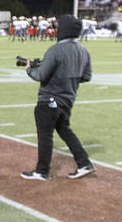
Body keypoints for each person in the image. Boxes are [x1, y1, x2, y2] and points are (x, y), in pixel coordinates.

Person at [19, 14, 94, 180]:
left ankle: (42, 171)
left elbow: (40, 75)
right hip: (67, 100)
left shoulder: (56, 50)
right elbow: (87, 76)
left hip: (50, 100)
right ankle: (84, 162)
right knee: (65, 130)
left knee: (45, 135)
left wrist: (29, 68)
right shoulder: (83, 51)